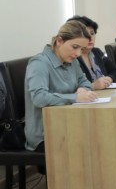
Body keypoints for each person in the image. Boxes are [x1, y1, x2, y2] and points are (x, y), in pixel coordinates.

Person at [25, 21, 98, 154]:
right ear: (59, 41)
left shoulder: (72, 61)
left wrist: (83, 89)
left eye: (81, 49)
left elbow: (85, 83)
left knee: (101, 136)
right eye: (75, 47)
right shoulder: (39, 63)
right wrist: (75, 97)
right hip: (45, 134)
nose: (78, 53)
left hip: (69, 124)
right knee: (93, 145)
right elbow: (39, 98)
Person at [66, 15, 116, 89]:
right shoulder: (72, 57)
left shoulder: (96, 52)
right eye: (85, 34)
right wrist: (93, 85)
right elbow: (72, 88)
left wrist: (109, 78)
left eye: (92, 33)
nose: (90, 38)